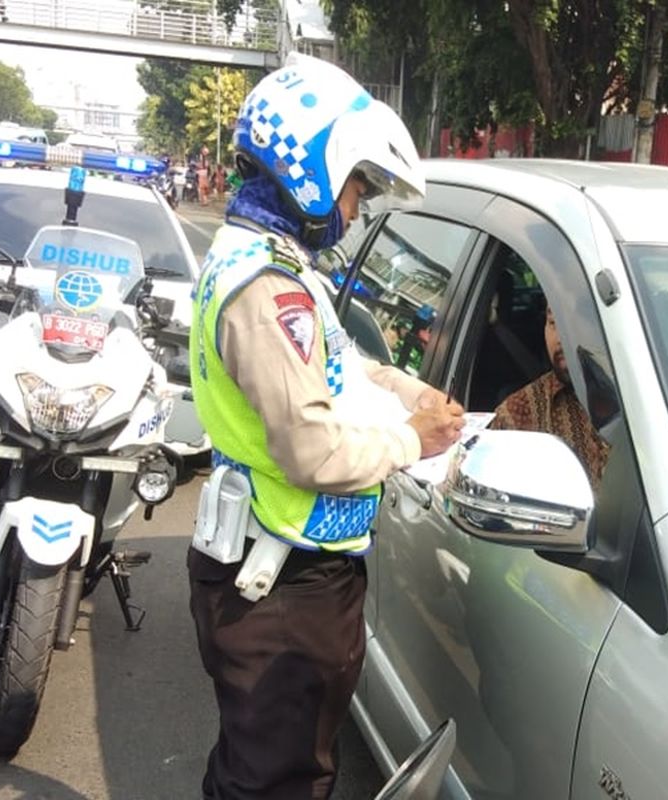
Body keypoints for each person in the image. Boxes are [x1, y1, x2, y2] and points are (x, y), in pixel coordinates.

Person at [187, 52, 465, 800]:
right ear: (309, 164)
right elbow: (311, 449)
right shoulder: (265, 286)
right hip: (281, 585)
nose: (355, 209)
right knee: (279, 782)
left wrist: (414, 394)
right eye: (354, 188)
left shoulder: (279, 266)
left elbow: (344, 365)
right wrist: (417, 443)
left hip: (283, 571)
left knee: (261, 768)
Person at [489, 300, 610, 489]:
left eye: (574, 323)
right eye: (553, 322)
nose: (561, 338)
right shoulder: (518, 416)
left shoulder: (656, 400)